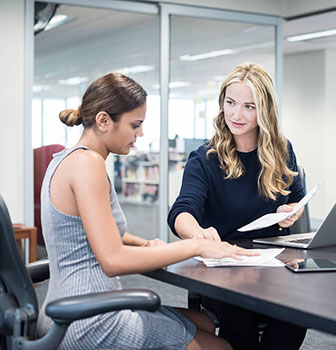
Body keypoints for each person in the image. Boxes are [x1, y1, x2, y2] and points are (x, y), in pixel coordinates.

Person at [36, 72, 259, 350]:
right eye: (135, 125)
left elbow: (95, 230)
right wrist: (196, 247)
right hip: (89, 320)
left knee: (204, 323)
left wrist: (144, 244)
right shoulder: (88, 165)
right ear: (104, 120)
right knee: (221, 347)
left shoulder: (65, 159)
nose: (140, 134)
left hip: (66, 310)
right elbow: (113, 260)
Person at [168, 62, 307, 349]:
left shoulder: (282, 150)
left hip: (271, 264)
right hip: (225, 265)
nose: (236, 114)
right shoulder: (205, 158)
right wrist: (197, 235)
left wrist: (291, 211)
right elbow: (182, 211)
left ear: (264, 110)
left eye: (248, 106)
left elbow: (297, 197)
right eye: (230, 103)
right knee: (240, 317)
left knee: (296, 315)